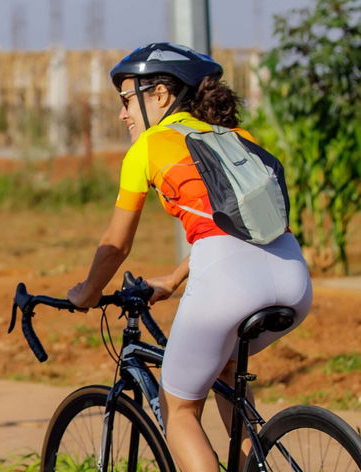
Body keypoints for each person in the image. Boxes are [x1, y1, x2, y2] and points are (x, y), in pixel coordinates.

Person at [66, 42, 312, 471]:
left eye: (127, 100)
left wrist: (87, 292)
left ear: (160, 95)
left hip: (226, 284)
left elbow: (117, 244)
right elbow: (237, 229)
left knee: (178, 409)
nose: (123, 113)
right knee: (223, 369)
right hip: (293, 279)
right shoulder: (241, 139)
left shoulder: (149, 145)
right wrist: (175, 278)